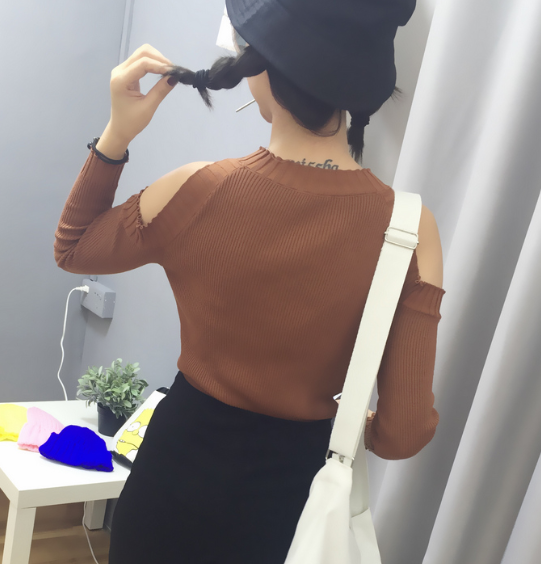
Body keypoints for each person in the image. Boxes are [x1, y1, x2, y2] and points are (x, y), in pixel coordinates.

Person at [54, 1, 445, 562]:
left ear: (261, 64)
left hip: (170, 489)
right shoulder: (409, 230)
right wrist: (354, 420)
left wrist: (118, 131)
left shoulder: (199, 188)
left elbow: (72, 246)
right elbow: (402, 435)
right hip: (290, 512)